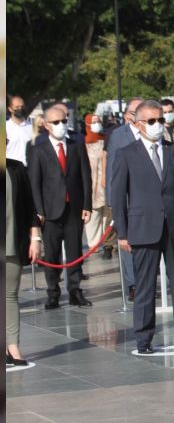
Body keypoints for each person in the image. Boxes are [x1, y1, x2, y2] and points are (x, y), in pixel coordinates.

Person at [111, 99, 174, 354]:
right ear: (138, 124)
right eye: (151, 121)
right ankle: (144, 338)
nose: (157, 125)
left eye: (160, 120)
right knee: (145, 286)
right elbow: (118, 197)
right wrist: (123, 232)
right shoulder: (126, 154)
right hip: (143, 228)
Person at [28, 105, 93, 309]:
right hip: (50, 211)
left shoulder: (76, 144)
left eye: (64, 121)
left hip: (73, 208)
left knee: (74, 252)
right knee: (53, 253)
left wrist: (87, 205)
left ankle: (75, 290)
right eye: (56, 122)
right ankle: (53, 292)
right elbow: (35, 183)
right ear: (47, 125)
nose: (61, 125)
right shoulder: (38, 149)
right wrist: (39, 211)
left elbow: (85, 176)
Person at [105, 97, 144, 301]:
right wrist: (112, 200)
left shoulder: (152, 131)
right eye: (137, 111)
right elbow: (112, 168)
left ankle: (146, 281)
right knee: (127, 243)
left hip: (148, 197)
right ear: (128, 115)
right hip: (127, 197)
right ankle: (133, 284)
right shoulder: (118, 135)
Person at [6, 159, 42, 366]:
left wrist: (35, 238)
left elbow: (30, 207)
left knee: (9, 296)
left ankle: (13, 346)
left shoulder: (16, 168)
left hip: (12, 241)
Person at [82, 113, 115, 260]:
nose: (97, 124)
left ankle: (106, 241)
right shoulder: (83, 143)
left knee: (106, 212)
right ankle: (94, 243)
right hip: (91, 181)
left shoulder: (106, 140)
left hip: (105, 179)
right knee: (93, 212)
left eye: (98, 121)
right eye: (94, 122)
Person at [7, 95, 33, 165]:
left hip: (29, 167)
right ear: (10, 109)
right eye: (17, 107)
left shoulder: (31, 126)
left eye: (22, 106)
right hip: (12, 169)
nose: (20, 109)